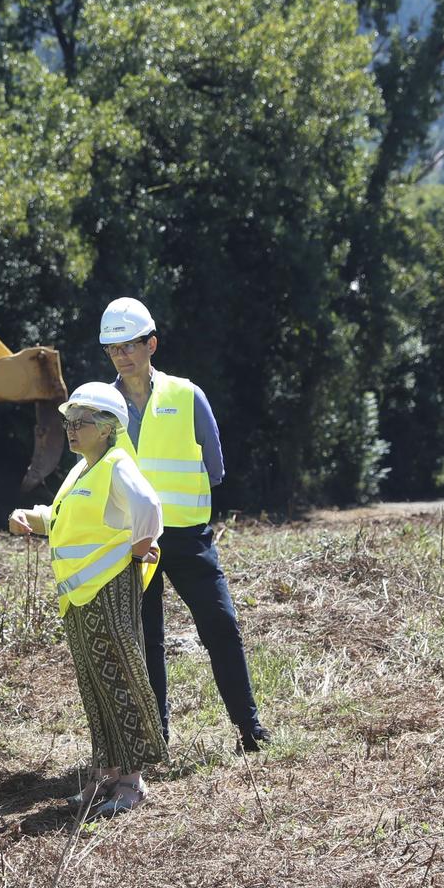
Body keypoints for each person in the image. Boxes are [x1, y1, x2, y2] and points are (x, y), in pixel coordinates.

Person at [98, 297, 272, 753]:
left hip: (187, 537)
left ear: (151, 344)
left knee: (221, 625)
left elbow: (215, 469)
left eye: (131, 345)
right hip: (131, 542)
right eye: (113, 348)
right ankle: (158, 738)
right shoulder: (100, 407)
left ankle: (249, 729)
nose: (122, 355)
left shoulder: (187, 395)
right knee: (146, 640)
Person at [9, 381, 166, 816]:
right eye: (69, 422)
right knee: (96, 686)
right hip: (80, 598)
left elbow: (150, 508)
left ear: (109, 427)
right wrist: (35, 519)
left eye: (81, 422)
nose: (72, 429)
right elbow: (69, 520)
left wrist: (138, 550)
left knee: (120, 679)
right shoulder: (83, 470)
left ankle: (131, 782)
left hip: (109, 591)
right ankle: (107, 774)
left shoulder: (116, 464)